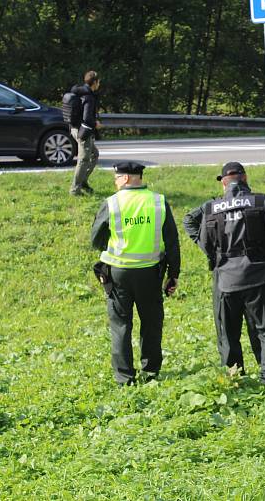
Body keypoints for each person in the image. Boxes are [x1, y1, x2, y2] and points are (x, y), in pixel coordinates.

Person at [183, 162, 265, 385]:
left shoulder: (211, 208)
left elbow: (197, 232)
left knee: (228, 335)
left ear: (223, 183)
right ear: (245, 178)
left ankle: (234, 380)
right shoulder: (262, 201)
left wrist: (216, 256)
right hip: (260, 278)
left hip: (225, 282)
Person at [91, 161, 181, 386]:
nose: (115, 182)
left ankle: (124, 378)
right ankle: (151, 372)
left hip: (119, 273)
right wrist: (173, 273)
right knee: (151, 323)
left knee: (121, 324)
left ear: (126, 178)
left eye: (116, 178)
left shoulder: (112, 203)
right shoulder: (158, 202)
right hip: (150, 274)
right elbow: (172, 241)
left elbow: (96, 240)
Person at [70, 70, 101, 196]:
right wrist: (96, 124)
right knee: (83, 160)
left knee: (94, 154)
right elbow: (87, 118)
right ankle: (75, 189)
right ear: (94, 82)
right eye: (98, 82)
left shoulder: (80, 92)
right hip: (83, 131)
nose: (99, 84)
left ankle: (83, 181)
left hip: (74, 128)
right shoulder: (88, 97)